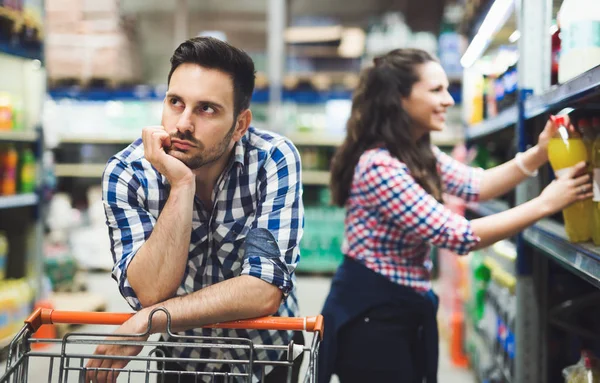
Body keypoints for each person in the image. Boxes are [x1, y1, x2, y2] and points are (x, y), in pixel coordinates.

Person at [319, 48, 592, 383]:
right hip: (372, 316)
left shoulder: (417, 152)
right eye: (436, 90)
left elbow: (477, 184)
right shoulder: (380, 166)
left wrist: (537, 154)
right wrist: (546, 203)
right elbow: (459, 235)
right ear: (399, 99)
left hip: (400, 305)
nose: (449, 100)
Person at [85, 37, 305, 383]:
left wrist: (148, 319)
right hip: (182, 362)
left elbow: (264, 290)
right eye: (175, 102)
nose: (183, 124)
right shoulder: (128, 174)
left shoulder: (271, 160)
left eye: (207, 109)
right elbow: (150, 292)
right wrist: (182, 185)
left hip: (265, 359)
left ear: (240, 125)